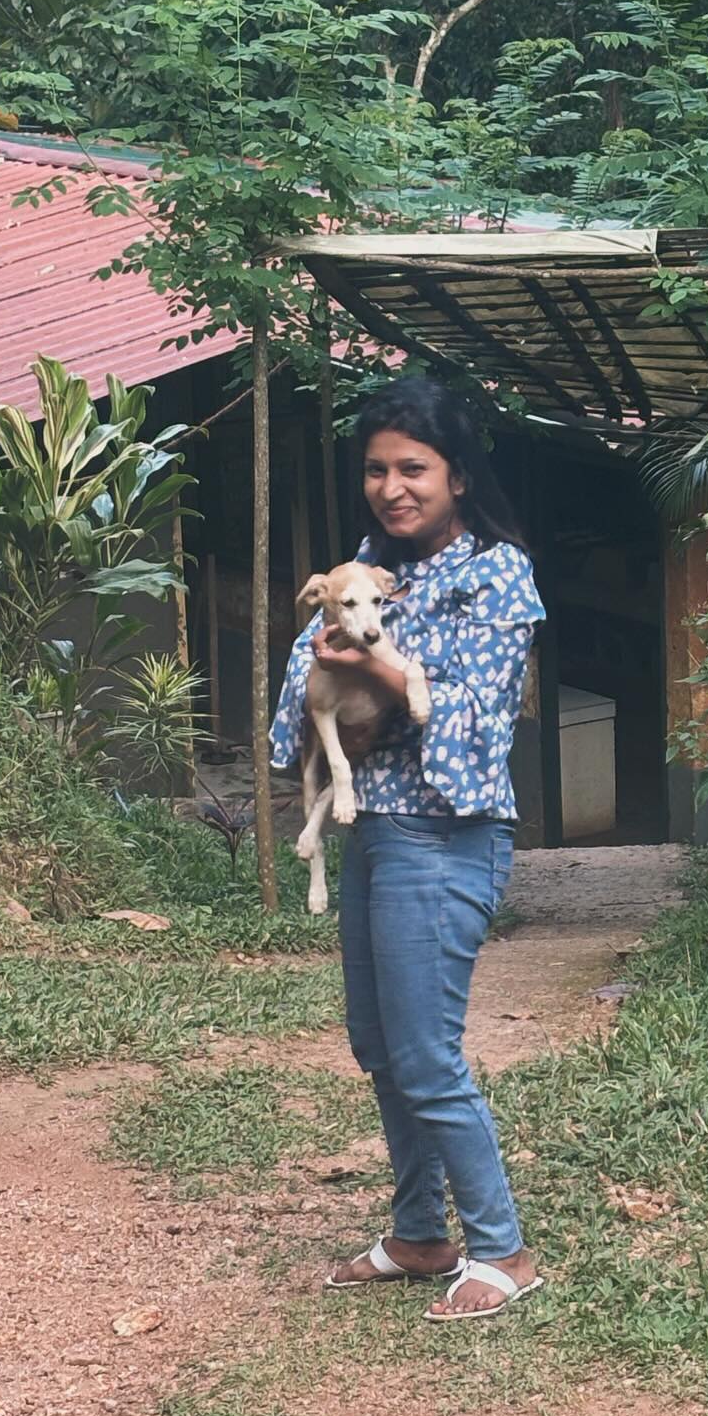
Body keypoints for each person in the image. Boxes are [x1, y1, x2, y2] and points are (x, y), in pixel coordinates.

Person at [270, 377, 545, 1320]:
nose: (393, 487)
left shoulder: (497, 574)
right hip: (374, 832)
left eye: (414, 469)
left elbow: (473, 724)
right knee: (378, 1044)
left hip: (444, 838)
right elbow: (299, 702)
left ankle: (503, 1249)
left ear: (458, 476)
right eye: (378, 470)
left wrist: (378, 665)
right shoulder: (360, 570)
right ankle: (421, 1234)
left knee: (426, 1053)